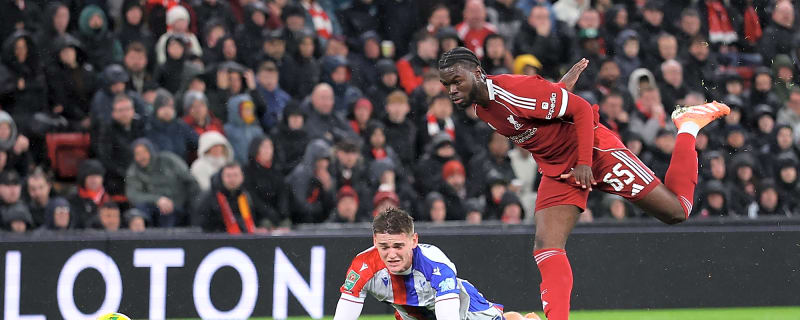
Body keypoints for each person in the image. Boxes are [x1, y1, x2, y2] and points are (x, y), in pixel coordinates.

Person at [438, 47, 730, 319]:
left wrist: (584, 163)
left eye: (456, 81)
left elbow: (580, 111)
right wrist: (557, 90)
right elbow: (544, 112)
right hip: (560, 170)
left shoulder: (512, 92)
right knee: (546, 246)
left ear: (477, 72)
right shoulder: (482, 109)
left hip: (594, 154)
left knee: (677, 211)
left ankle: (689, 124)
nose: (451, 90)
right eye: (446, 85)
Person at [333, 207, 538, 320]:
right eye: (384, 247)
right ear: (374, 242)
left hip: (459, 309)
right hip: (413, 315)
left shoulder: (435, 264)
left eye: (398, 245)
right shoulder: (363, 267)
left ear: (414, 241)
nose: (391, 254)